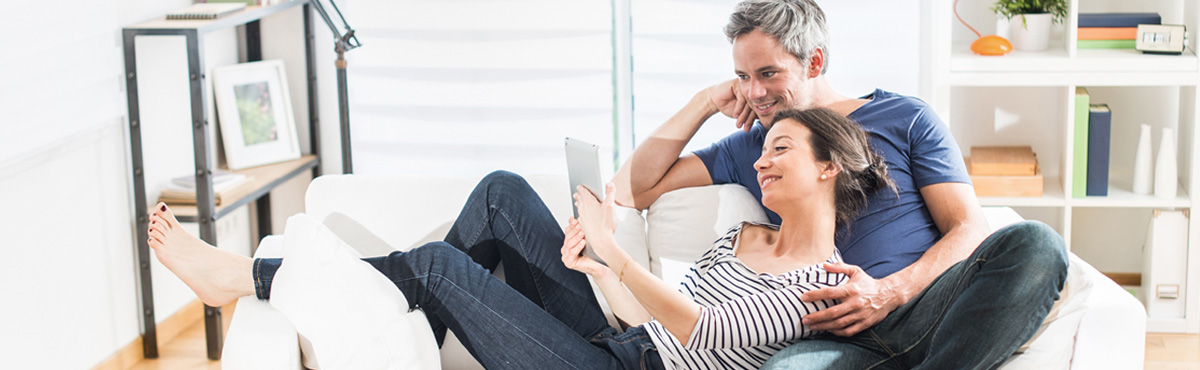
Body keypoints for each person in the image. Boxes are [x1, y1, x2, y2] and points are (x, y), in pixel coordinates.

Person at [148, 108, 895, 369]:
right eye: (762, 149)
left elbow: (702, 328)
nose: (761, 160)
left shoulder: (821, 286)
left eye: (783, 150)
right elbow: (646, 318)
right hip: (621, 341)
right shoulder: (741, 232)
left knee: (439, 265)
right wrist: (597, 267)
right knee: (504, 192)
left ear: (830, 169)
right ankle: (387, 312)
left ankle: (253, 276)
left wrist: (620, 254)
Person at [609, 0, 1069, 368]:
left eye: (768, 73)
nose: (754, 93)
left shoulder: (904, 117)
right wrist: (705, 102)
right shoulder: (757, 144)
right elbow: (635, 189)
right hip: (838, 338)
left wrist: (889, 292)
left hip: (928, 309)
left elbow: (969, 228)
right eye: (742, 77)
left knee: (1038, 244)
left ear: (815, 61)